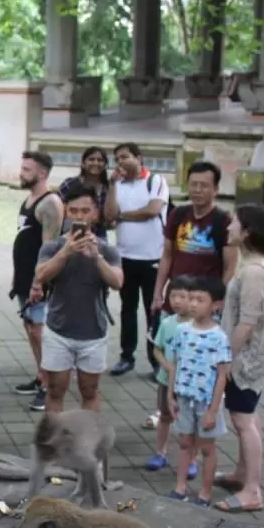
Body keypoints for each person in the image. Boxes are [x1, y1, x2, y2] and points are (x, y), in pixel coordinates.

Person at [33, 182, 124, 413]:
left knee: (90, 390)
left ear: (95, 212)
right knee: (55, 389)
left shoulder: (107, 249)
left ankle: (89, 442)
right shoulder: (53, 246)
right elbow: (41, 275)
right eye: (73, 211)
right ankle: (54, 442)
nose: (79, 217)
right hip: (57, 329)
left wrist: (96, 258)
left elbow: (117, 282)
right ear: (65, 211)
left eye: (85, 211)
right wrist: (66, 251)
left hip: (93, 332)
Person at [214, 203, 264, 514]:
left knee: (243, 421)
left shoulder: (254, 271)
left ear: (248, 231)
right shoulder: (255, 263)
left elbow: (247, 323)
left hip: (246, 363)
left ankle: (252, 490)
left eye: (234, 223)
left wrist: (226, 360)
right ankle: (242, 475)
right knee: (247, 417)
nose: (228, 228)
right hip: (248, 359)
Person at [103, 142, 170, 377]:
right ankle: (126, 356)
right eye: (117, 158)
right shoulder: (118, 186)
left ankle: (156, 361)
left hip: (153, 258)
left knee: (154, 310)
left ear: (139, 158)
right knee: (127, 309)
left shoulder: (156, 181)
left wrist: (122, 216)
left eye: (125, 157)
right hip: (125, 258)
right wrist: (111, 185)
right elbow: (109, 215)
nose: (121, 162)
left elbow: (151, 211)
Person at [152, 160, 238, 340]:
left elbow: (230, 266)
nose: (198, 190)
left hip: (205, 302)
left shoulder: (223, 220)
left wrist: (219, 299)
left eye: (204, 185)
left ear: (215, 189)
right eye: (194, 184)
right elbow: (167, 256)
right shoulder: (178, 215)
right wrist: (158, 292)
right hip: (176, 298)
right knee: (168, 347)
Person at [166, 275, 232, 508]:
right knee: (185, 443)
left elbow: (222, 375)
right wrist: (170, 395)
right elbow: (175, 362)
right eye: (191, 299)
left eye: (200, 300)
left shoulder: (219, 337)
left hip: (206, 402)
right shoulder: (182, 330)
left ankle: (205, 493)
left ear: (216, 305)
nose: (193, 304)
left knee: (207, 448)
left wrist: (214, 411)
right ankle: (180, 487)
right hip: (184, 397)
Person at [11, 151, 64, 411]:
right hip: (24, 279)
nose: (21, 173)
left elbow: (50, 249)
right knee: (31, 329)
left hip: (39, 282)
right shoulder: (29, 199)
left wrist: (38, 283)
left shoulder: (50, 203)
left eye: (26, 169)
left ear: (42, 173)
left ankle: (50, 386)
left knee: (41, 332)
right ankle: (41, 376)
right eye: (22, 168)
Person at [147, 275, 197, 481]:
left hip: (190, 384)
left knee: (190, 421)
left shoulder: (199, 325)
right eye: (173, 295)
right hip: (166, 380)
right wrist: (166, 366)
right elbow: (157, 349)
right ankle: (161, 453)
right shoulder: (167, 323)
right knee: (165, 416)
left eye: (182, 296)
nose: (176, 301)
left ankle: (191, 460)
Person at [55, 146, 109, 239]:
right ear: (83, 163)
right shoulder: (69, 183)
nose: (96, 163)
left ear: (105, 165)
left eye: (100, 160)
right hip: (70, 231)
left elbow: (110, 218)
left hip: (98, 234)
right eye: (91, 159)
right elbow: (56, 207)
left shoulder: (108, 188)